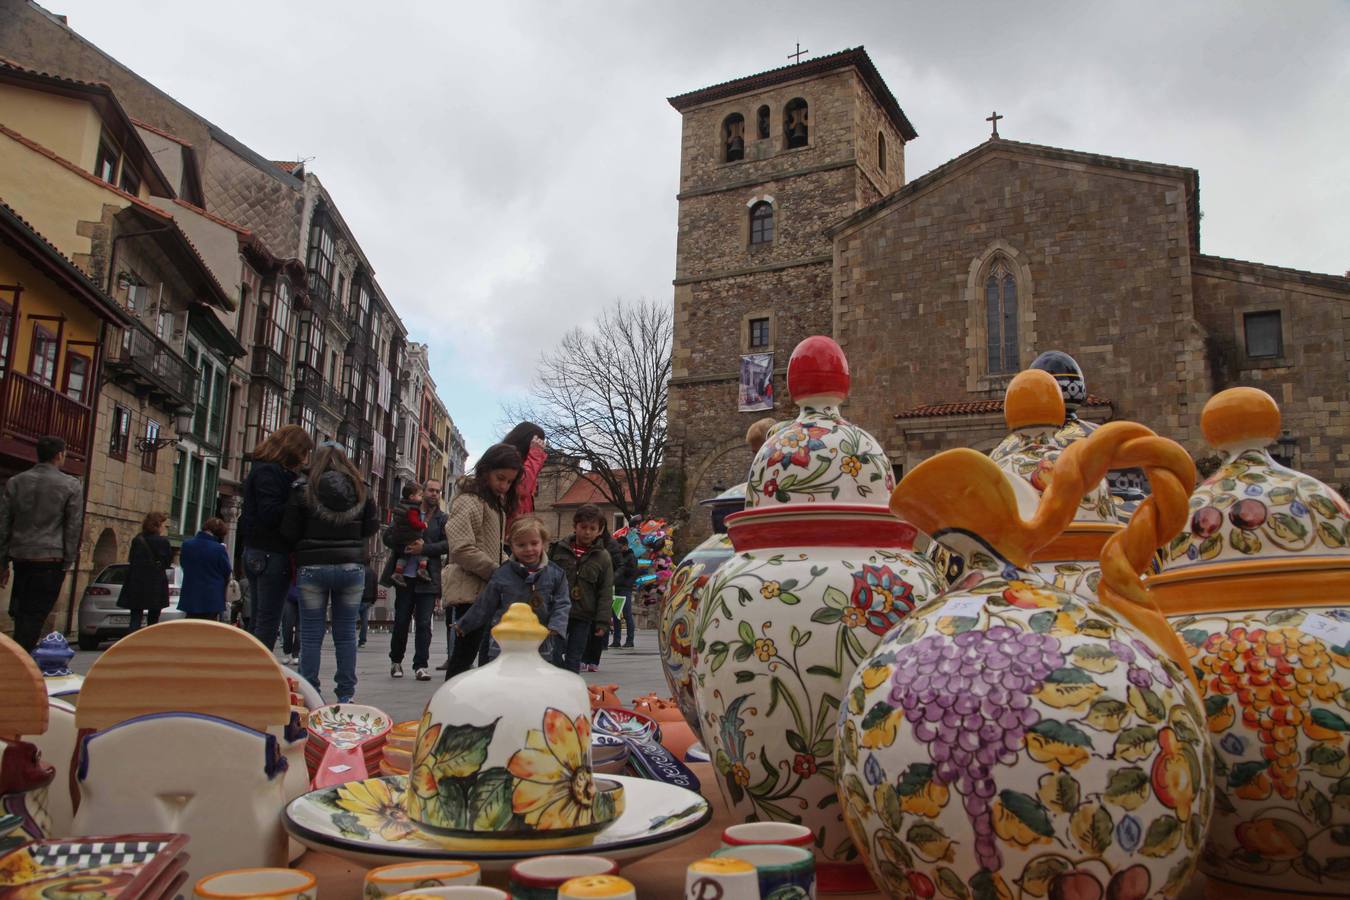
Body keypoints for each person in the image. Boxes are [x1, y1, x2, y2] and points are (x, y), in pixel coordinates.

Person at [280, 444, 378, 703]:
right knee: (346, 633)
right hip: (350, 567)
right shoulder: (362, 489)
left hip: (312, 567)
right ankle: (346, 694)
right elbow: (371, 526)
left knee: (311, 633)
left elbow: (289, 530)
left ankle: (310, 692)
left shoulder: (303, 489)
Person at [441, 444, 523, 680]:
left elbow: (493, 548)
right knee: (463, 657)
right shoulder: (468, 501)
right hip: (470, 589)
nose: (504, 486)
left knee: (477, 654)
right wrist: (498, 572)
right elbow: (461, 547)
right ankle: (449, 706)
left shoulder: (493, 503)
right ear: (485, 470)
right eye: (500, 478)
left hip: (486, 588)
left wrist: (512, 566)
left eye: (509, 482)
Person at [0, 435, 83, 651]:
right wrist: (68, 559)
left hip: (21, 556)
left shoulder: (15, 482)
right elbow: (73, 527)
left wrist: (2, 562)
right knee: (36, 614)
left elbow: (4, 524)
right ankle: (22, 662)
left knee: (20, 611)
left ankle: (18, 656)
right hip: (50, 558)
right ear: (59, 455)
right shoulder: (70, 485)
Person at [454, 515, 569, 665]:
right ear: (512, 546)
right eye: (521, 545)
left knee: (536, 678)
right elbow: (485, 604)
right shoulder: (503, 574)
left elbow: (563, 603)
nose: (528, 549)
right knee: (504, 679)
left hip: (539, 638)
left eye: (534, 543)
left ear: (543, 543)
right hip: (505, 640)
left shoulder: (556, 574)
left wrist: (556, 626)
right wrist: (464, 624)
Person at [239, 425, 313, 652]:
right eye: (304, 452)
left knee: (259, 617)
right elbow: (270, 512)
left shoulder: (260, 470)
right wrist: (298, 499)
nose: (305, 459)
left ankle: (252, 667)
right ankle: (259, 673)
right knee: (268, 620)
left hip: (255, 551)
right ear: (293, 450)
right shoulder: (271, 473)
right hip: (270, 553)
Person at [386, 478, 448, 680]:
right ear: (423, 491)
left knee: (423, 624)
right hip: (404, 577)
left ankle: (421, 665)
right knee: (401, 621)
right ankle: (396, 661)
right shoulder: (406, 510)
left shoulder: (442, 518)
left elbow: (447, 545)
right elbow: (387, 536)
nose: (434, 494)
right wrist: (403, 543)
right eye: (431, 490)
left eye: (438, 491)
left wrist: (425, 548)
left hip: (427, 577)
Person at [549, 504, 614, 673]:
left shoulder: (602, 557)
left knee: (574, 657)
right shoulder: (558, 549)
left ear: (600, 531)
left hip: (584, 614)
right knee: (552, 652)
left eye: (592, 528)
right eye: (583, 527)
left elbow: (605, 591)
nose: (587, 532)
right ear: (575, 526)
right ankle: (558, 681)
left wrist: (602, 621)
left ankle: (571, 691)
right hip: (558, 612)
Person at [121, 511, 173, 633]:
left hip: (137, 582)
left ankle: (133, 642)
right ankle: (149, 642)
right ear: (158, 525)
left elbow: (132, 559)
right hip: (155, 582)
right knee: (153, 618)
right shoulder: (162, 542)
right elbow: (167, 563)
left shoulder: (137, 540)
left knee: (135, 617)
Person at [178, 517, 233, 621]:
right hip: (212, 596)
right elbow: (227, 571)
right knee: (209, 628)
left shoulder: (187, 545)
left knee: (190, 626)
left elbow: (183, 564)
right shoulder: (219, 549)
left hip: (191, 594)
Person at [384, 483, 430, 587]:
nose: (422, 498)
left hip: (423, 586)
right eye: (420, 495)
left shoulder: (402, 507)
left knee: (404, 556)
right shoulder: (413, 510)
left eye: (437, 491)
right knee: (422, 551)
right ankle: (422, 569)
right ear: (412, 497)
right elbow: (414, 523)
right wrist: (423, 525)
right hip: (411, 537)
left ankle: (398, 572)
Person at [500, 422, 547, 521]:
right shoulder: (505, 460)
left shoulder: (529, 466)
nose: (541, 447)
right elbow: (521, 488)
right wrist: (535, 456)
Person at [608, 524, 639, 649]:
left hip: (625, 589)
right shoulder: (618, 557)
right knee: (616, 615)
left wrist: (622, 568)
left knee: (626, 615)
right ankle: (616, 640)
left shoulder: (631, 557)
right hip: (617, 588)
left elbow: (632, 573)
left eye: (620, 547)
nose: (619, 549)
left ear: (625, 546)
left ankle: (630, 640)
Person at [359, 563, 376, 648]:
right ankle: (362, 641)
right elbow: (375, 586)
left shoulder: (359, 570)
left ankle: (347, 639)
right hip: (368, 599)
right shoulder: (373, 572)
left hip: (357, 598)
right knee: (364, 621)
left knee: (350, 620)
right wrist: (373, 599)